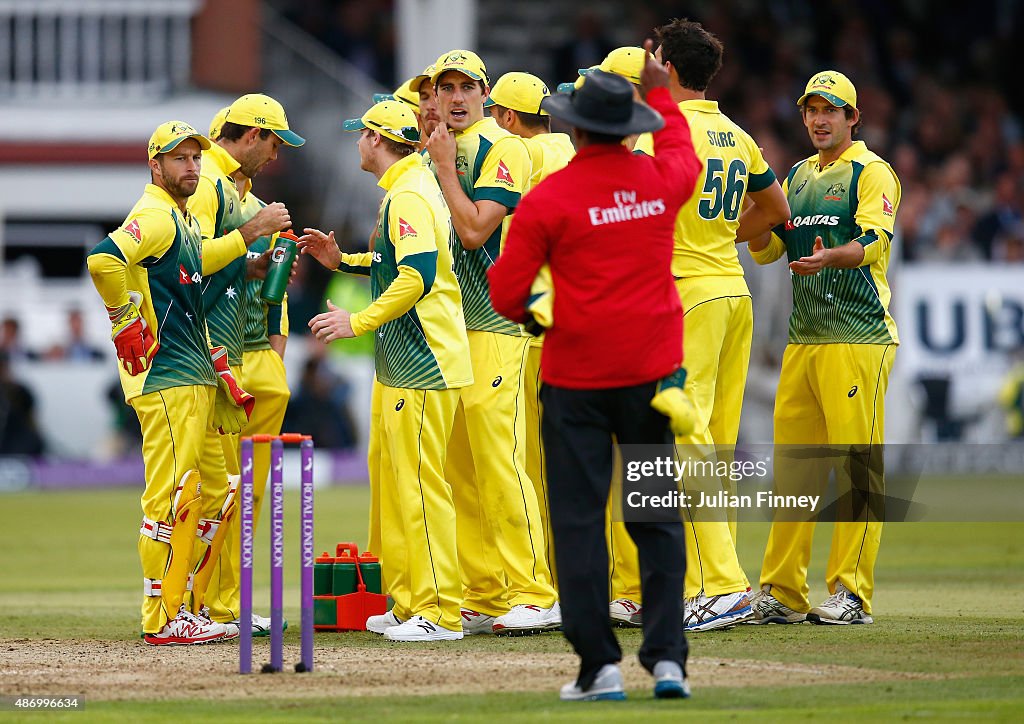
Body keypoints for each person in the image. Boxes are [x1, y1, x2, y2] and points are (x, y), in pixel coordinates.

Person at [489, 46, 703, 700]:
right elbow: (683, 155)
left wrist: (534, 316)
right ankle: (667, 661)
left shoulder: (550, 198)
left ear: (575, 129)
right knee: (656, 519)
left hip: (577, 380)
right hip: (651, 377)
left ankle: (599, 669)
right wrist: (663, 90)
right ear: (626, 128)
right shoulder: (658, 182)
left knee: (579, 525)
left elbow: (505, 293)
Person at [612, 18, 791, 632]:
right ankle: (703, 588)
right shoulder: (737, 135)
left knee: (686, 447)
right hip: (731, 294)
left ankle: (723, 583)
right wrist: (722, 238)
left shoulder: (658, 129)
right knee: (712, 447)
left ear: (667, 66)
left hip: (685, 298)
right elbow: (776, 210)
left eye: (651, 58)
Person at [301, 99, 473, 641]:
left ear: (377, 139)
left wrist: (360, 321)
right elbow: (395, 264)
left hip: (425, 362)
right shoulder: (409, 189)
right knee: (408, 489)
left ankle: (440, 611)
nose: (356, 142)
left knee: (423, 490)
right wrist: (343, 262)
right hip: (412, 364)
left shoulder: (409, 194)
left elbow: (418, 276)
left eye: (361, 134)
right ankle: (412, 600)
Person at [738, 70, 901, 625]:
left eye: (831, 109)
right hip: (804, 339)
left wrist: (830, 256)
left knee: (856, 466)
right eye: (811, 109)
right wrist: (749, 199)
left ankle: (850, 593)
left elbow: (874, 242)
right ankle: (782, 592)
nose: (819, 119)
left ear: (853, 117)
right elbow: (764, 248)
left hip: (858, 337)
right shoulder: (798, 175)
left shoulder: (873, 172)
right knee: (795, 473)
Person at [86, 121, 249, 644]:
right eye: (179, 159)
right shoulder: (155, 214)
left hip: (191, 374)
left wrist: (248, 241)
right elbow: (103, 259)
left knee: (217, 492)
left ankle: (181, 604)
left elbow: (197, 262)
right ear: (155, 165)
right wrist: (123, 317)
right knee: (171, 498)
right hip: (166, 375)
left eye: (196, 158)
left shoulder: (179, 219)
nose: (192, 167)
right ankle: (161, 616)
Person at [425, 49, 560, 635]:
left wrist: (445, 169)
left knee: (501, 461)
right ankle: (485, 592)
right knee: (461, 466)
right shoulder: (434, 153)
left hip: (498, 324)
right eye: (445, 87)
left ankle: (534, 591)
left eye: (466, 87)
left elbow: (478, 231)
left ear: (486, 97)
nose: (455, 98)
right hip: (452, 330)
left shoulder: (502, 146)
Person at [186, 94, 301, 634]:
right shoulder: (207, 182)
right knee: (217, 488)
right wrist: (252, 240)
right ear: (253, 135)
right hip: (213, 354)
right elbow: (189, 262)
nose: (277, 156)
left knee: (243, 493)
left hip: (252, 357)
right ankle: (198, 603)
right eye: (274, 143)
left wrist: (276, 351)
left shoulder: (243, 193)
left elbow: (254, 282)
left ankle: (224, 604)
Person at [486, 70, 577, 584]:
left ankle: (534, 579)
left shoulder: (520, 155)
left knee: (524, 455)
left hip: (534, 314)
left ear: (507, 117)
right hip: (582, 307)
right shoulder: (573, 150)